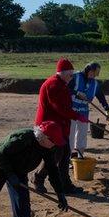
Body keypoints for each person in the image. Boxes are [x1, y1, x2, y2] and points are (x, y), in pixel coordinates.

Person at [33, 58, 88, 194]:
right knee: (55, 155)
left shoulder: (61, 83)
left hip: (60, 126)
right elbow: (61, 108)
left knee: (64, 154)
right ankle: (38, 179)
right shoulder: (54, 84)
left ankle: (65, 185)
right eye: (70, 74)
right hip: (49, 128)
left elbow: (65, 104)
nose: (72, 77)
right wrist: (77, 116)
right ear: (63, 72)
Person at [68, 62, 109, 158]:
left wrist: (107, 111)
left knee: (82, 134)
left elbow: (101, 98)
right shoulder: (75, 77)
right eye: (94, 73)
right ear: (88, 70)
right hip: (71, 111)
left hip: (83, 111)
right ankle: (68, 158)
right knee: (70, 134)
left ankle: (80, 156)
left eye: (96, 74)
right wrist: (77, 93)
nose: (94, 76)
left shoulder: (95, 84)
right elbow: (65, 88)